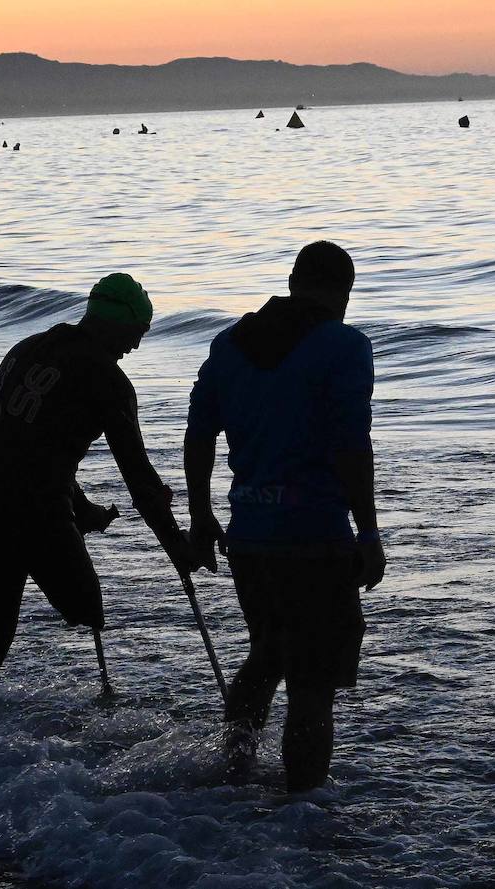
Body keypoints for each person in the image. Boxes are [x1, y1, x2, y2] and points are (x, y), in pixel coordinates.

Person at [0, 273, 197, 758]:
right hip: (32, 510)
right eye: (136, 333)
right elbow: (140, 479)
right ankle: (78, 736)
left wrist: (81, 510)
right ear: (115, 324)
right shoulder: (107, 379)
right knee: (86, 605)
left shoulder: (27, 348)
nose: (136, 346)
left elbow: (30, 444)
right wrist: (176, 547)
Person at [183, 241, 385, 791]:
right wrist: (367, 531)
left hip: (248, 539)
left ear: (294, 281)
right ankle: (302, 820)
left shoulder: (229, 345)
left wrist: (201, 518)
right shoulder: (344, 346)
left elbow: (198, 434)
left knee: (266, 655)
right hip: (314, 540)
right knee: (312, 686)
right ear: (342, 292)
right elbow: (351, 443)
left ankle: (235, 769)